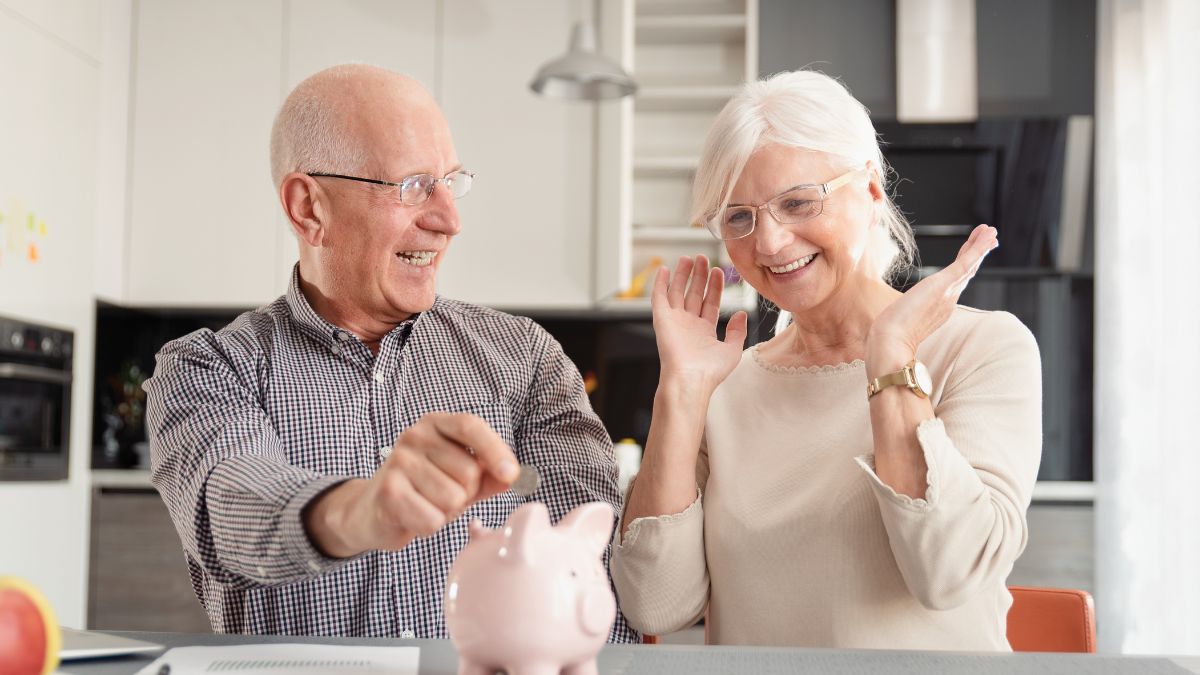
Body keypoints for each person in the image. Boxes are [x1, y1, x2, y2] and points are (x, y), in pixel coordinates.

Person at [143, 64, 636, 642]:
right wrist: (359, 511)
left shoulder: (522, 358)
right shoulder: (208, 367)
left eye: (451, 181)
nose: (449, 220)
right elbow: (229, 509)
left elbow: (591, 562)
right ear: (309, 209)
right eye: (413, 186)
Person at [610, 70, 1041, 650]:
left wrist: (891, 358)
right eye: (739, 217)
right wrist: (681, 392)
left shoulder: (983, 349)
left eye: (797, 202)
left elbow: (951, 572)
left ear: (870, 189)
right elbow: (655, 603)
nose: (768, 243)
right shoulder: (725, 385)